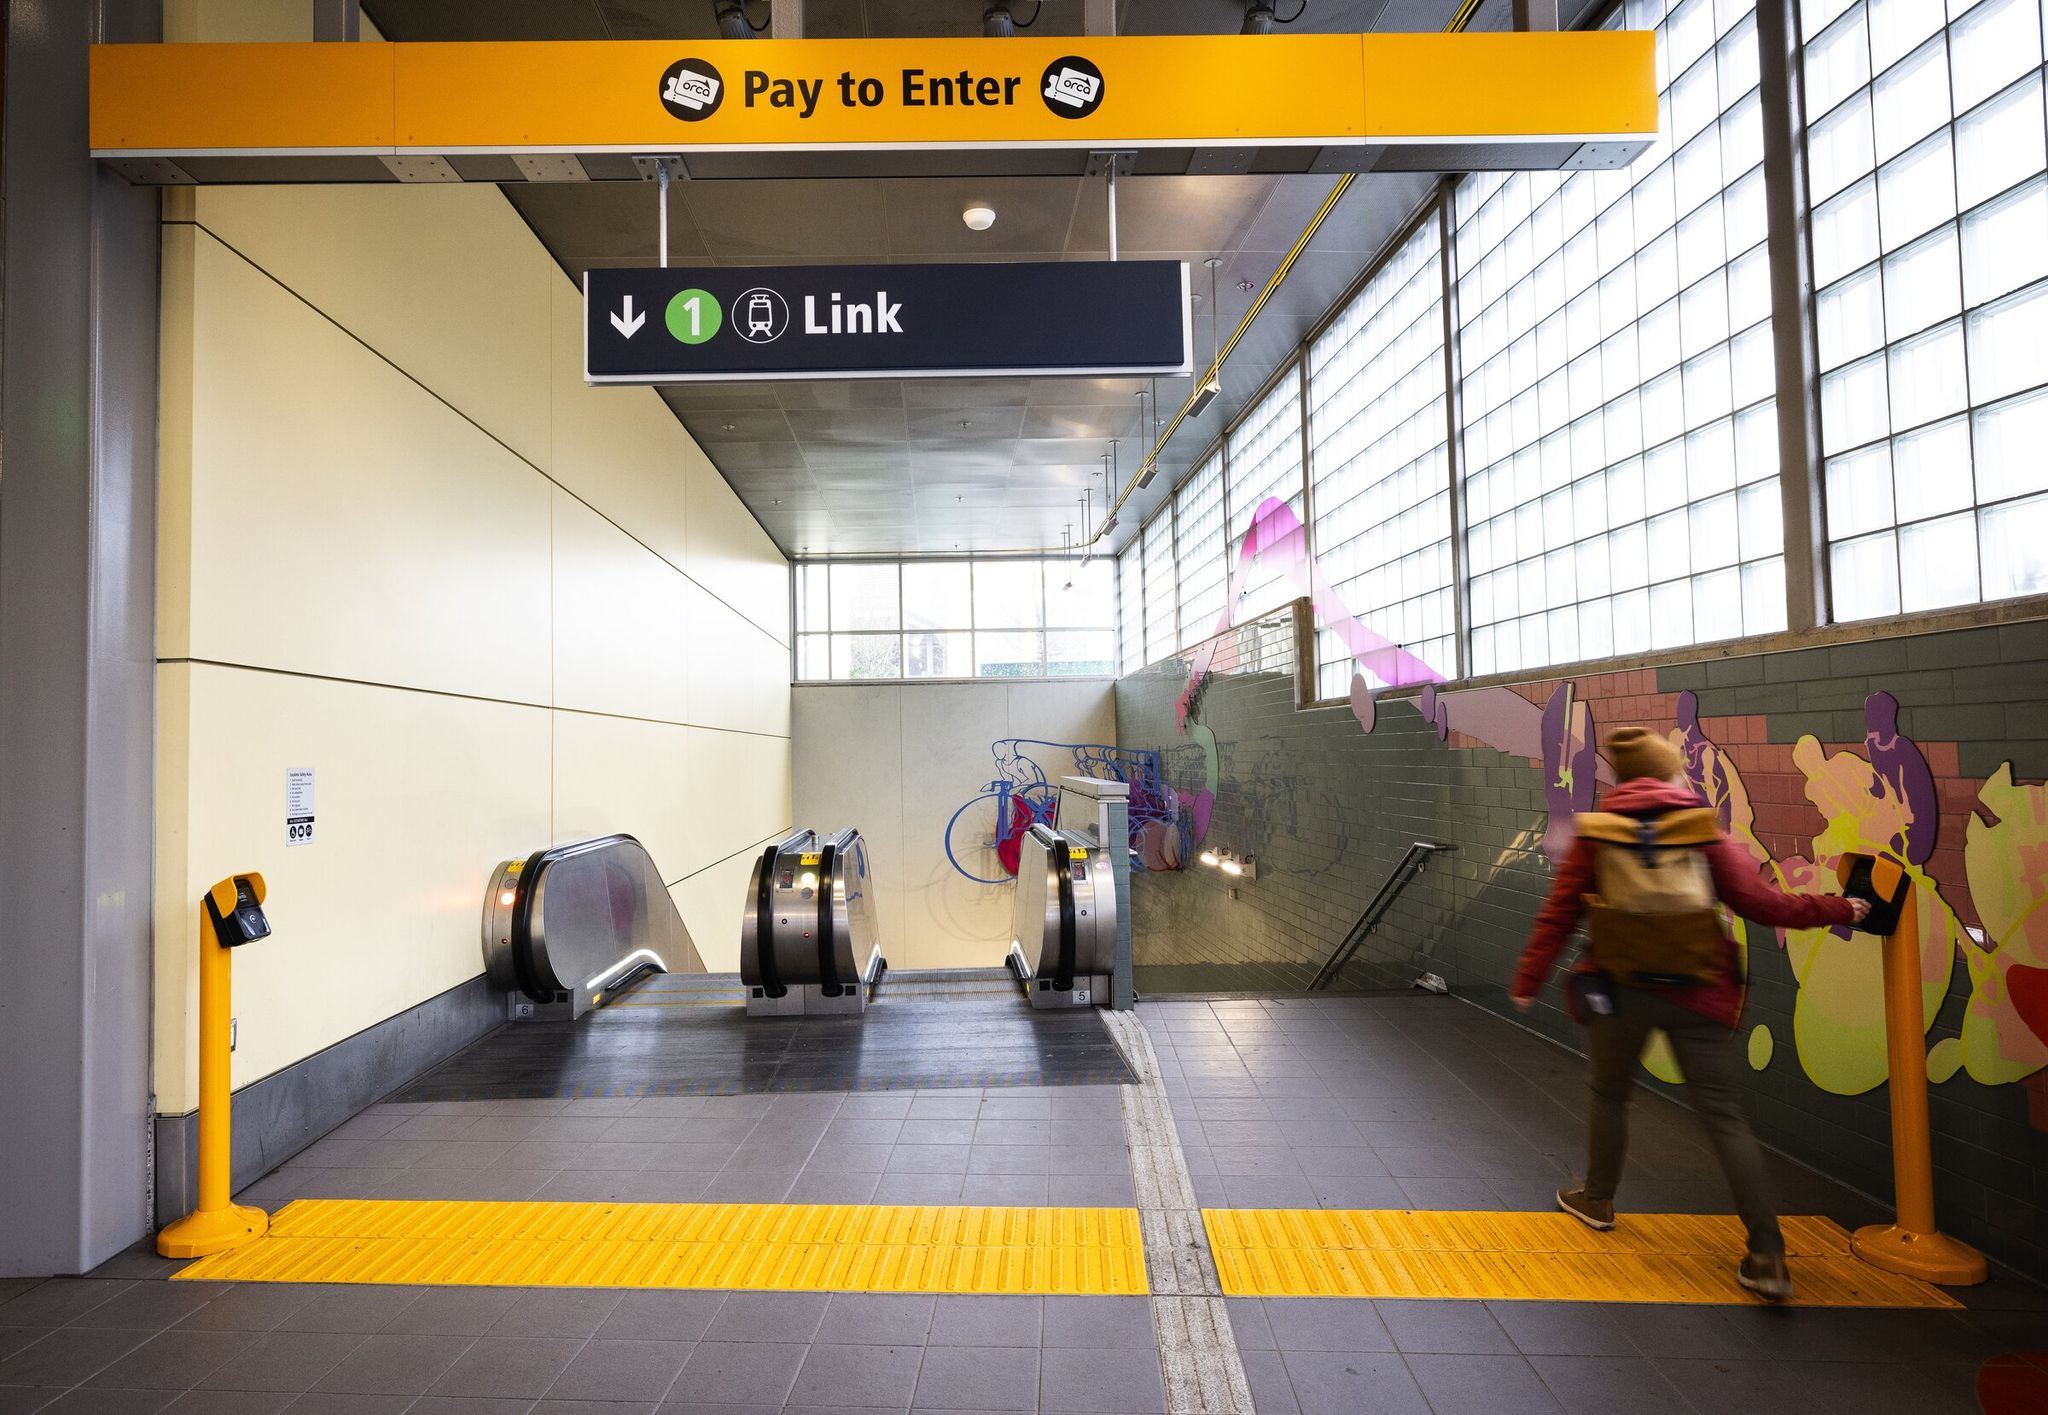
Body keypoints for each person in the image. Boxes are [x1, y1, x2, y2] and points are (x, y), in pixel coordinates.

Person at [1510, 726, 1870, 1302]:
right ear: (1669, 775)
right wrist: (1840, 908)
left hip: (1619, 992)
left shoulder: (1597, 832)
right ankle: (1767, 1257)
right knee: (1725, 1118)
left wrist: (1529, 980)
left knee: (1608, 1093)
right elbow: (1760, 902)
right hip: (1697, 991)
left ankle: (1598, 1199)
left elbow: (1559, 914)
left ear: (1624, 779)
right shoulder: (1702, 829)